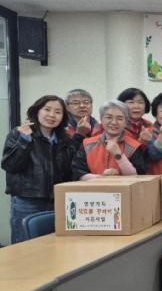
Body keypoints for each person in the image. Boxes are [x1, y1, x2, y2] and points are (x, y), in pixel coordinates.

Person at [2, 95, 75, 243]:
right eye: (47, 109)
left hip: (57, 201)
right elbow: (10, 165)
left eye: (58, 112)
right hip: (28, 201)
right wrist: (24, 141)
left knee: (53, 246)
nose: (52, 115)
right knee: (24, 247)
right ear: (37, 111)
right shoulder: (19, 133)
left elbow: (69, 171)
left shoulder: (64, 139)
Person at [72, 100, 146, 180]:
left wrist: (119, 156)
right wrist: (102, 178)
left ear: (126, 122)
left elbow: (138, 177)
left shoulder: (134, 146)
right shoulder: (87, 144)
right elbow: (77, 172)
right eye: (109, 117)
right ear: (101, 119)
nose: (114, 122)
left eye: (119, 118)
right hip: (94, 187)